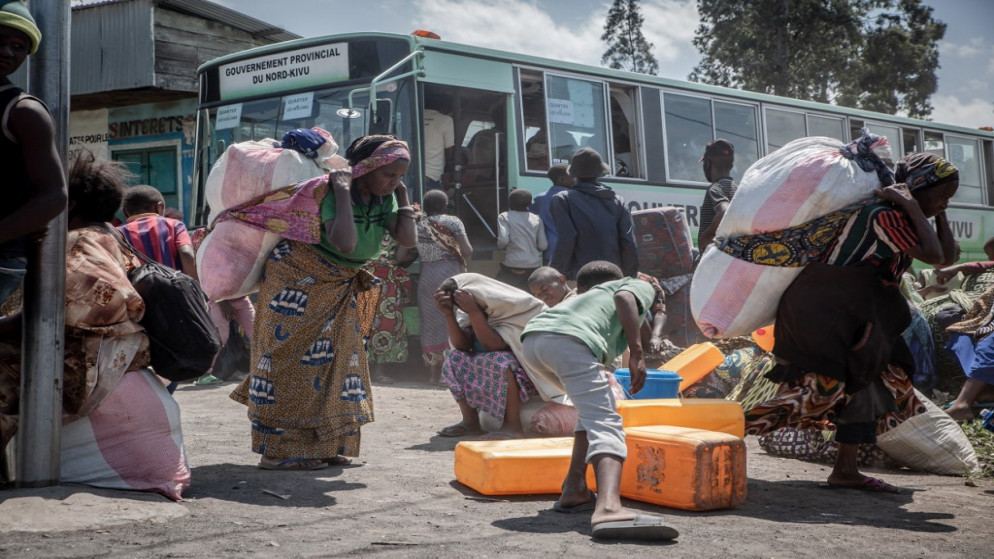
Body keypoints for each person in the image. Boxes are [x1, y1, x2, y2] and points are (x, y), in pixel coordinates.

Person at [742, 149, 959, 493]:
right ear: (916, 186)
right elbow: (934, 255)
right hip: (824, 314)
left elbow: (948, 258)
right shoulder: (881, 215)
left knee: (866, 382)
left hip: (854, 314)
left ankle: (845, 469)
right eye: (943, 194)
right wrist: (917, 209)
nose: (946, 201)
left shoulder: (904, 215)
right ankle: (721, 429)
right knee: (818, 389)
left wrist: (936, 212)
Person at [1, 151, 189, 496]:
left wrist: (7, 326)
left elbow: (71, 309)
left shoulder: (78, 242)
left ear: (67, 206)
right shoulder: (106, 236)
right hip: (111, 360)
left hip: (92, 364)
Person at [230, 134, 417, 471]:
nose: (394, 182)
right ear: (366, 169)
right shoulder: (329, 193)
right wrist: (344, 192)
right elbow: (344, 243)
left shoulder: (384, 199)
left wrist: (401, 196)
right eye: (389, 175)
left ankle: (325, 445)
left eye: (401, 176)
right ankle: (276, 452)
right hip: (298, 280)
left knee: (336, 364)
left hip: (338, 284)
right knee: (290, 364)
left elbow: (407, 239)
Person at [518, 261, 678, 541]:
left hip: (534, 342)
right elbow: (625, 298)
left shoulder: (585, 299)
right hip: (567, 342)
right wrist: (638, 354)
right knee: (606, 420)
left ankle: (574, 488)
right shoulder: (633, 284)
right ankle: (608, 508)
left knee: (589, 412)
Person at [434, 273, 563, 440]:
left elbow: (494, 345)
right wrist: (448, 314)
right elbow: (462, 346)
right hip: (490, 371)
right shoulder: (468, 311)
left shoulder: (518, 306)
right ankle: (470, 422)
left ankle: (513, 425)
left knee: (501, 361)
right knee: (454, 358)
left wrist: (474, 312)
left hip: (527, 375)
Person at [0, 3, 67, 305]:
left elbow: (54, 196)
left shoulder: (23, 111)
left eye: (18, 46)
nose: (7, 52)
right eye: (0, 40)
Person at [550, 147, 638, 280]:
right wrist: (629, 277)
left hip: (580, 277)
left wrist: (555, 272)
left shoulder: (563, 199)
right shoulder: (618, 201)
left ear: (574, 174)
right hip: (613, 276)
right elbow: (628, 242)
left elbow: (567, 238)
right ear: (600, 173)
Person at [416, 189, 473, 384]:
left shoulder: (417, 225)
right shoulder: (453, 222)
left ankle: (433, 373)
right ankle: (449, 374)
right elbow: (466, 250)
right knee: (453, 320)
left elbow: (405, 253)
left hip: (427, 276)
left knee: (430, 323)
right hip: (451, 276)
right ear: (445, 204)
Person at [118, 185, 198, 280]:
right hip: (175, 288)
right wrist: (195, 286)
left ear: (125, 212)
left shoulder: (118, 233)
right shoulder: (174, 225)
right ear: (159, 207)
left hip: (137, 292)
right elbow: (186, 254)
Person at [365, 233, 415, 384]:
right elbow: (400, 258)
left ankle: (360, 369)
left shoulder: (365, 220)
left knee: (362, 322)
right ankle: (377, 371)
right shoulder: (399, 228)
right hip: (386, 282)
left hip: (364, 277)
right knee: (385, 325)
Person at [496, 189, 547, 290]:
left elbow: (503, 240)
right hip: (534, 266)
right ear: (530, 203)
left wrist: (503, 247)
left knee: (501, 291)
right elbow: (543, 245)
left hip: (512, 264)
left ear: (509, 203)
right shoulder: (537, 218)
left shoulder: (504, 217)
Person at [528, 164, 574, 263]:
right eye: (572, 176)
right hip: (572, 249)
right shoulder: (574, 198)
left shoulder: (540, 198)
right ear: (562, 179)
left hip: (550, 248)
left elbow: (529, 216)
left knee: (550, 277)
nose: (576, 179)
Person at [696, 139, 736, 250]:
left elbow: (724, 211)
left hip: (714, 256)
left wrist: (705, 236)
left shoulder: (715, 188)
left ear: (707, 165)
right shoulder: (739, 190)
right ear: (731, 166)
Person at [423, 90, 455, 192]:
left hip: (410, 175)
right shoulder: (446, 120)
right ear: (443, 107)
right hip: (432, 178)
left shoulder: (413, 116)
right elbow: (450, 152)